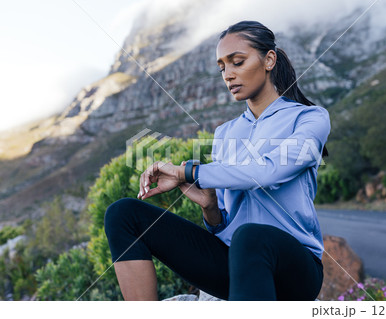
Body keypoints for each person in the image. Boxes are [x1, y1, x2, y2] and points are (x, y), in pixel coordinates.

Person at [104, 20, 330, 301]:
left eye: (237, 62)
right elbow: (221, 223)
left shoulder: (310, 118)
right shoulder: (225, 133)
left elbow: (269, 171)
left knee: (251, 237)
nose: (228, 75)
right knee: (124, 214)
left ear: (269, 59)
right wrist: (211, 209)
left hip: (294, 270)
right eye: (222, 67)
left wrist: (188, 171)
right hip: (235, 263)